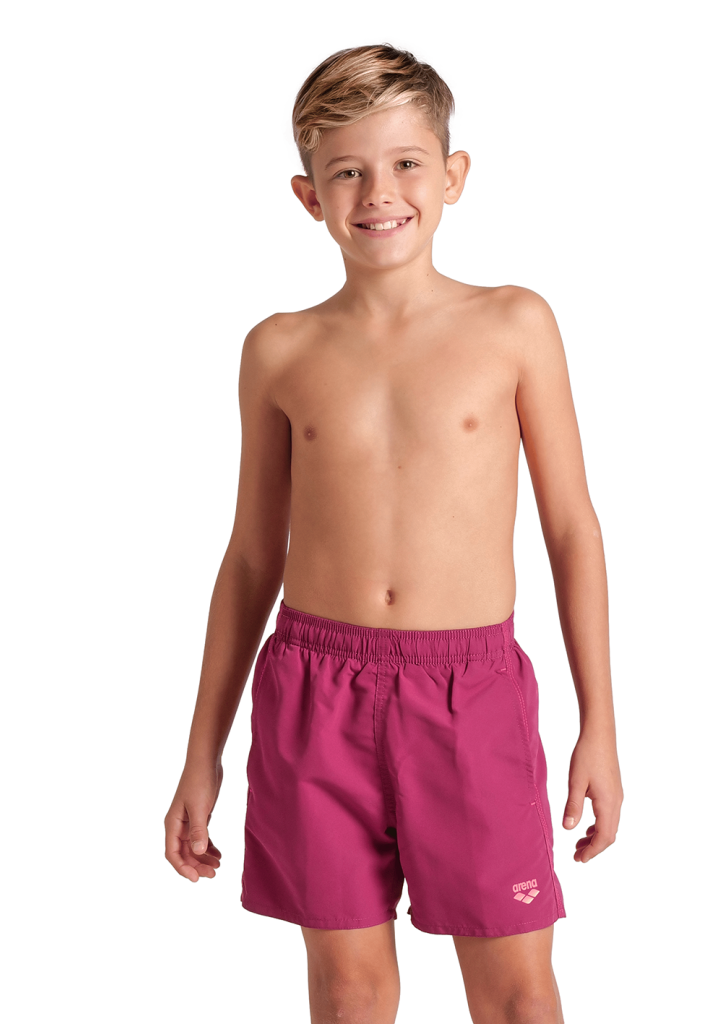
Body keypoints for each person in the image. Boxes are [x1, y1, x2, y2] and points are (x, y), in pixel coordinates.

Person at [164, 43, 623, 1024]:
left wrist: (601, 722)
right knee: (349, 993)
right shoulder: (278, 348)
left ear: (453, 176)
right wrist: (202, 751)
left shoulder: (514, 325)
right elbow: (251, 558)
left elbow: (572, 528)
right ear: (308, 195)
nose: (379, 193)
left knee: (517, 994)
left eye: (407, 163)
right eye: (347, 171)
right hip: (314, 692)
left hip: (469, 692)